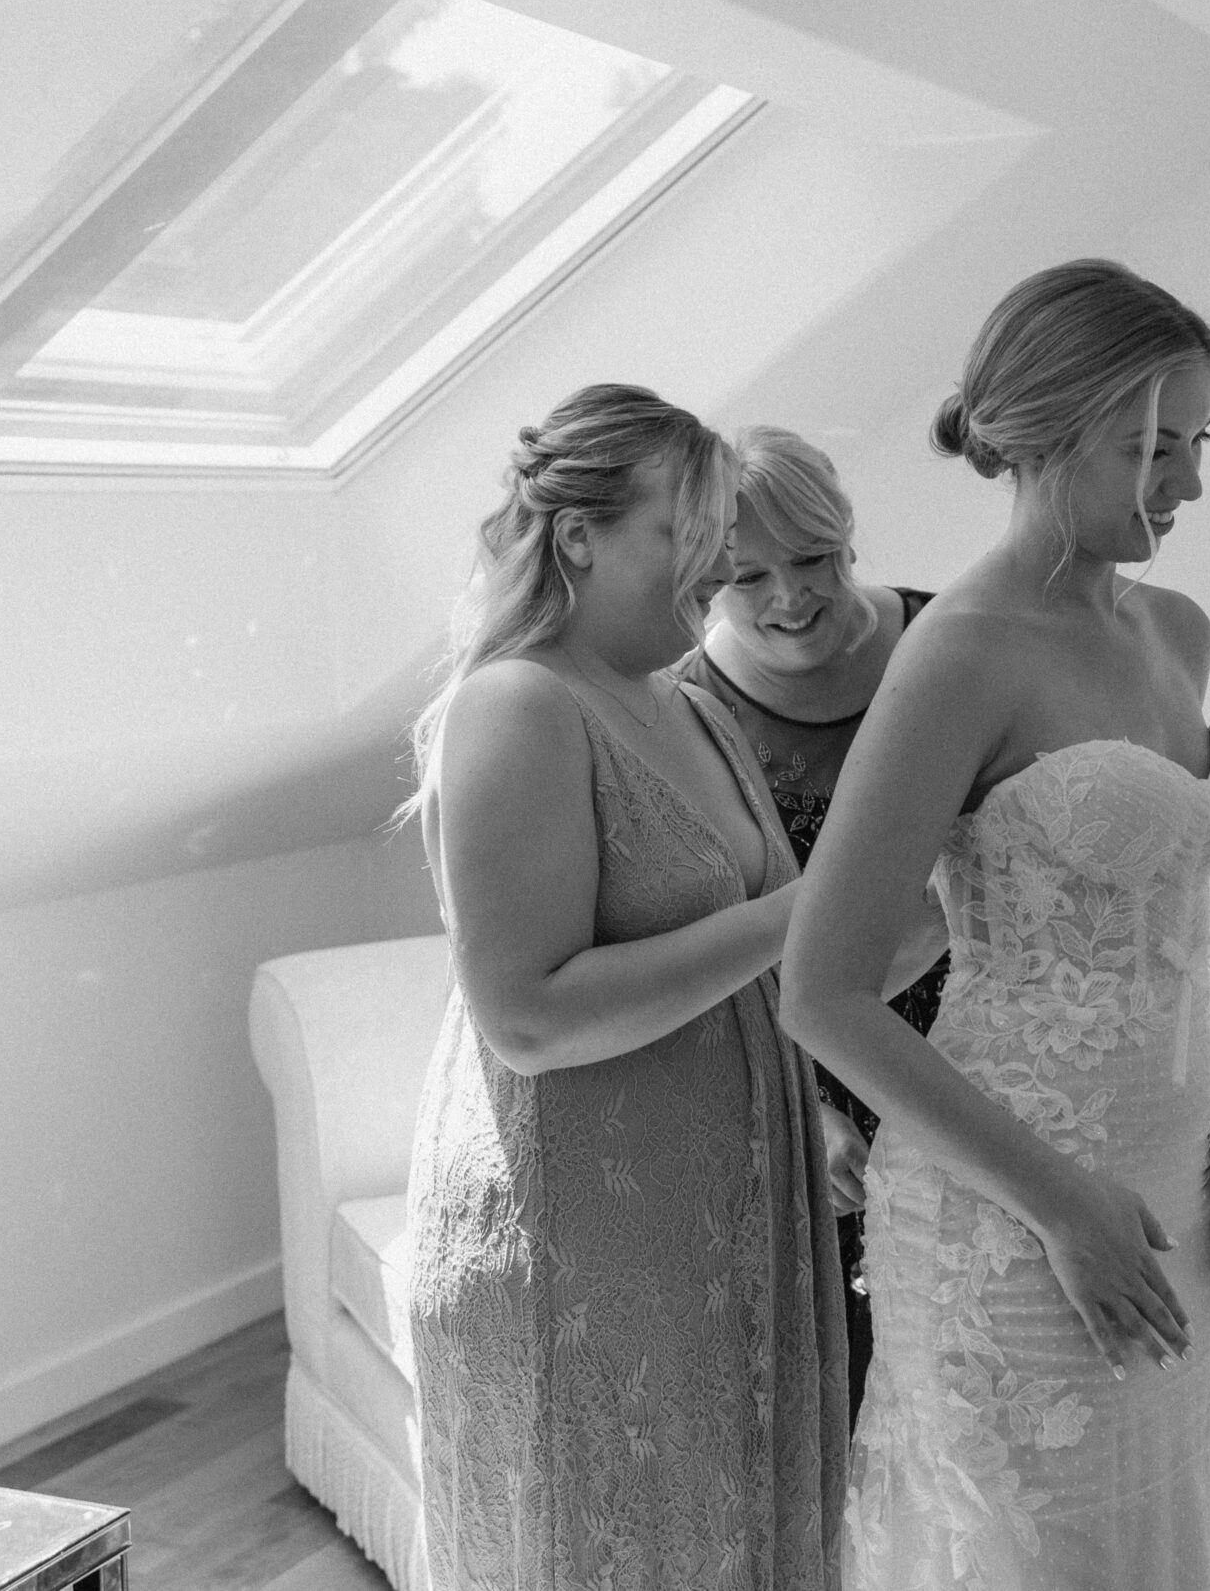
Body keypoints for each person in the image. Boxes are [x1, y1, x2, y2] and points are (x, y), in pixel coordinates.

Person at [780, 261, 1210, 1588]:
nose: (1187, 485)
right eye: (1151, 448)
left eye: (1196, 442)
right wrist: (1063, 1206)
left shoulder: (1178, 627)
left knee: (1152, 1537)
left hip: (1170, 1183)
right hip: (1015, 1213)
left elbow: (1160, 910)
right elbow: (821, 990)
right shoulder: (963, 652)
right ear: (1045, 433)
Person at [400, 384, 844, 1591]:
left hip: (723, 1219)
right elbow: (527, 1014)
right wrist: (791, 913)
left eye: (718, 528)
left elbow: (777, 958)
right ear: (580, 532)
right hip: (581, 1249)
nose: (715, 561)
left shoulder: (690, 701)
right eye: (681, 529)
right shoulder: (519, 703)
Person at [673, 427, 951, 1421]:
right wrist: (798, 1105)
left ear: (849, 540)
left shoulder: (946, 639)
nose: (790, 597)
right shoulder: (683, 710)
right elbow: (709, 939)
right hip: (806, 1079)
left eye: (813, 560)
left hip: (976, 1047)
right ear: (703, 575)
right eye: (748, 576)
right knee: (850, 1398)